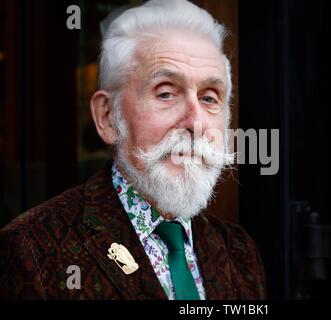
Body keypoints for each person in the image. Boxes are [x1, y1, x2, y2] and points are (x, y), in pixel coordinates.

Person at [0, 0, 266, 300]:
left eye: (209, 98)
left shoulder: (239, 251)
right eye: (166, 93)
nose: (196, 123)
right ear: (107, 116)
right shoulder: (33, 250)